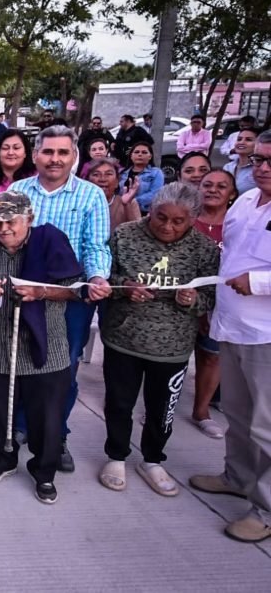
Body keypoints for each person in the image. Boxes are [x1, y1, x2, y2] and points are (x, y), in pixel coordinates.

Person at [0, 191, 83, 504]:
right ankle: (2, 460)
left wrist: (41, 291)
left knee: (47, 417)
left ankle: (44, 471)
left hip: (47, 347)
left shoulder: (50, 243)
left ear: (29, 219)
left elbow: (74, 291)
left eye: (10, 221)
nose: (3, 228)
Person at [98, 183, 219, 496]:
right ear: (150, 210)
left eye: (178, 221)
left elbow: (212, 295)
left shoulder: (204, 249)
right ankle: (116, 455)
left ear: (193, 219)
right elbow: (103, 277)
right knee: (119, 402)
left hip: (173, 346)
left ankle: (152, 459)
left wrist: (192, 300)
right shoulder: (124, 235)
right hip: (124, 336)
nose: (167, 226)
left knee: (162, 407)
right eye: (160, 217)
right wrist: (125, 286)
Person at [9, 125, 112, 472]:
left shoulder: (91, 195)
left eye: (62, 152)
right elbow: (4, 237)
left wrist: (97, 277)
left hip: (70, 296)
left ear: (74, 157)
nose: (55, 159)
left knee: (62, 368)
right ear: (35, 155)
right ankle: (22, 426)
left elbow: (95, 246)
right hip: (24, 291)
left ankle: (57, 435)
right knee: (23, 360)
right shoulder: (18, 190)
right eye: (48, 152)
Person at [189, 133, 271, 543]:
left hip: (267, 334)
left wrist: (256, 283)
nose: (263, 167)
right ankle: (238, 476)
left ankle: (266, 508)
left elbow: (248, 272)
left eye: (270, 161)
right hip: (233, 325)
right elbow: (229, 255)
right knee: (238, 416)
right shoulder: (245, 201)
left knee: (267, 425)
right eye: (258, 159)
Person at [190, 170, 236, 439]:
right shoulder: (184, 219)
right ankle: (161, 406)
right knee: (174, 359)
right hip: (183, 300)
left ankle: (201, 411)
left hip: (221, 302)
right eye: (207, 185)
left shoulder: (236, 223)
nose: (213, 190)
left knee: (211, 356)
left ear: (232, 193)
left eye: (221, 186)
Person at [83, 158, 141, 232]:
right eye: (96, 174)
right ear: (88, 181)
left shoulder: (130, 203)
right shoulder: (81, 203)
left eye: (108, 174)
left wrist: (127, 205)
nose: (102, 179)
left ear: (117, 182)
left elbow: (137, 232)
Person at [119, 142, 164, 214]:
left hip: (145, 212)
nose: (140, 154)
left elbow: (155, 193)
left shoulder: (156, 173)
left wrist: (132, 201)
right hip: (121, 211)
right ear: (131, 156)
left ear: (150, 156)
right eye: (136, 152)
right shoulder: (121, 173)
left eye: (144, 152)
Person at [225, 127, 259, 195]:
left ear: (258, 144)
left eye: (248, 140)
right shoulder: (228, 167)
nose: (241, 142)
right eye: (239, 139)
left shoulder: (260, 169)